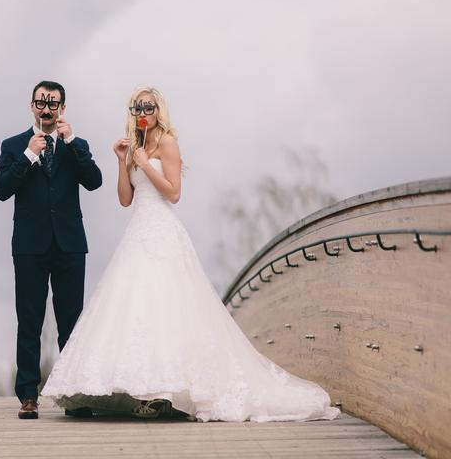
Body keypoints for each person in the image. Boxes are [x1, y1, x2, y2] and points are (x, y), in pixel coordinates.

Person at [41, 86, 340, 422]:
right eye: (137, 107)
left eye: (148, 107)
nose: (143, 113)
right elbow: (125, 199)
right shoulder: (134, 148)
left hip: (163, 231)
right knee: (136, 306)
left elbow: (173, 193)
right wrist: (122, 161)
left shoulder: (167, 142)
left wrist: (146, 165)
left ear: (158, 110)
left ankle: (166, 393)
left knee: (167, 305)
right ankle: (140, 387)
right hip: (137, 232)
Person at [0, 80, 102, 419]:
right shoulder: (13, 145)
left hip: (69, 244)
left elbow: (94, 181)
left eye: (53, 103)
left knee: (72, 323)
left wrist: (72, 143)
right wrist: (29, 155)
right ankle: (28, 395)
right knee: (30, 322)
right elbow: (1, 189)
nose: (46, 108)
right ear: (31, 105)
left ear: (62, 108)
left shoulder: (76, 144)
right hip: (29, 245)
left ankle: (73, 394)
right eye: (41, 102)